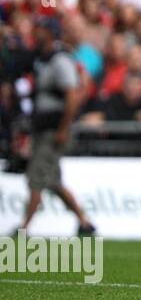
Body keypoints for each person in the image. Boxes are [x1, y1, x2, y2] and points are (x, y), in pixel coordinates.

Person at [15, 16, 96, 237]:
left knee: (36, 177)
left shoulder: (59, 61)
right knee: (53, 182)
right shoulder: (43, 60)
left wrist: (62, 129)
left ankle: (23, 228)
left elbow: (71, 96)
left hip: (54, 130)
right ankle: (84, 222)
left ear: (50, 34)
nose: (36, 33)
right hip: (43, 129)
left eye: (40, 29)